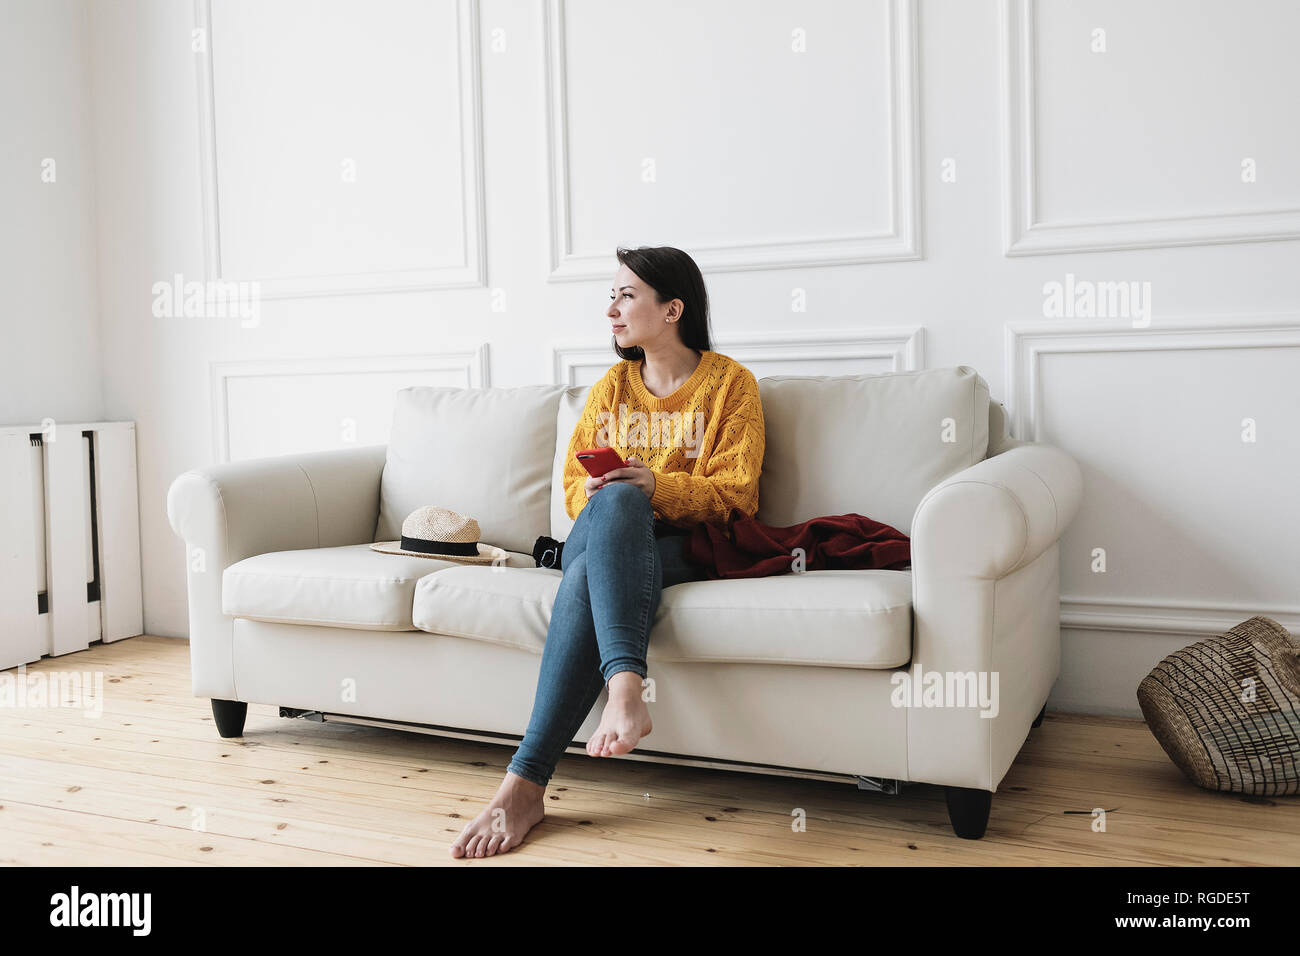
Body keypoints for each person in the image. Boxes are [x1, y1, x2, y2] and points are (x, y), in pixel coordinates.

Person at [450, 245, 766, 858]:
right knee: (615, 504)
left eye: (626, 296)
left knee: (598, 555)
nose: (612, 311)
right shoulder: (611, 388)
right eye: (611, 297)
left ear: (672, 309)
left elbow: (737, 495)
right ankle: (626, 688)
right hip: (604, 532)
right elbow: (573, 488)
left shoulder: (731, 385)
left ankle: (524, 785)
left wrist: (658, 484)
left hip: (680, 549)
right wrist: (600, 489)